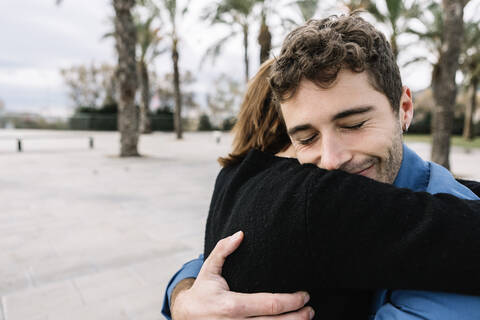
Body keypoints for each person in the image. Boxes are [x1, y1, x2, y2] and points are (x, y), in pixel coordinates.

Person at [163, 15, 480, 320]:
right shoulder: (303, 199)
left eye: (354, 124)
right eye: (307, 137)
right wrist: (186, 298)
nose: (330, 160)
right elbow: (215, 255)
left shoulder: (452, 236)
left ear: (404, 109)